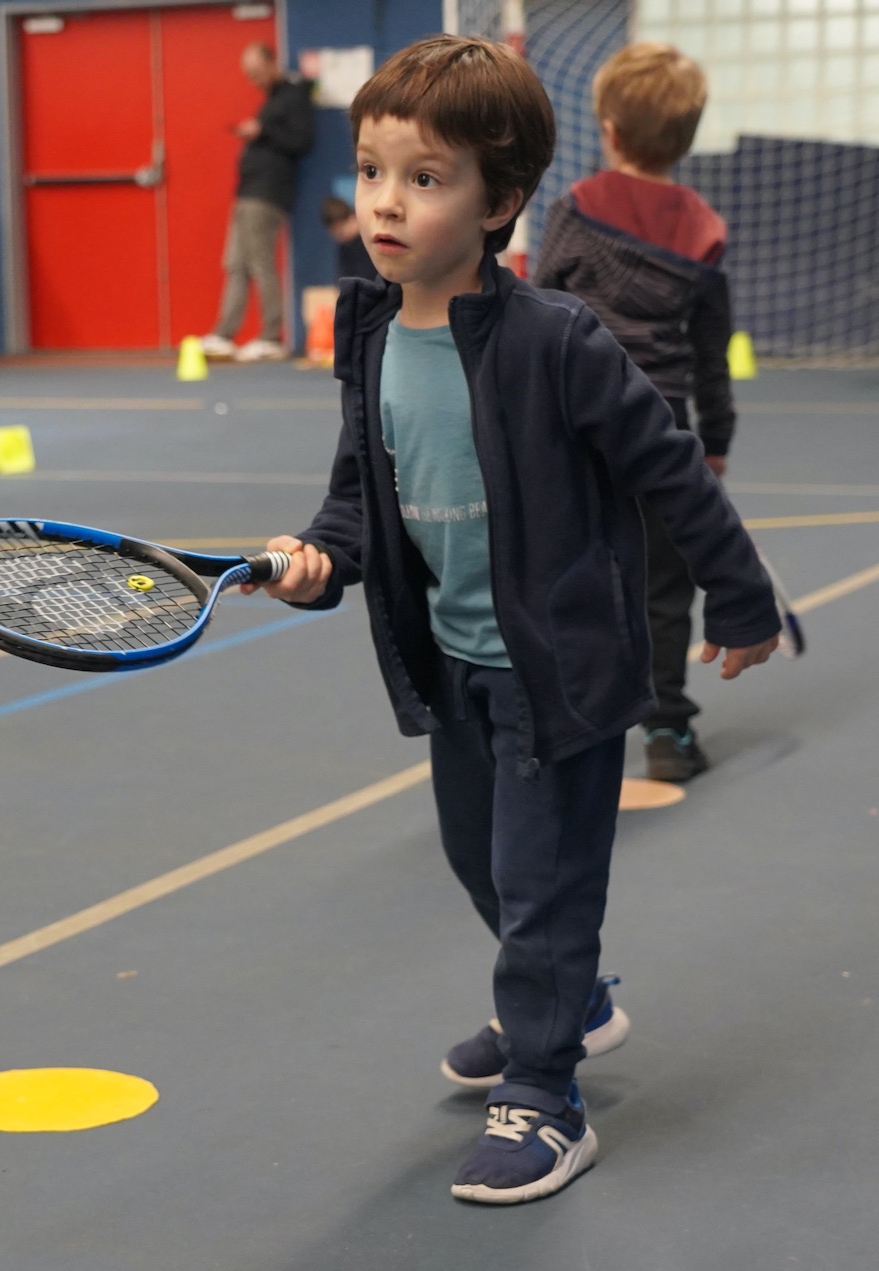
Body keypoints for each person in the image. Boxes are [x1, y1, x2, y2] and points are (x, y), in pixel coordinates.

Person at [241, 35, 781, 1205]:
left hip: (560, 671)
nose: (385, 202)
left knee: (541, 886)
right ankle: (568, 999)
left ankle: (543, 1090)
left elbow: (668, 466)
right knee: (475, 858)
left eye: (423, 178)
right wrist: (313, 561)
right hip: (453, 664)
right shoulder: (369, 330)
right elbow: (356, 495)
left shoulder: (554, 339)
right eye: (372, 170)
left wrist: (741, 595)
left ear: (498, 204)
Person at [534, 43, 736, 784]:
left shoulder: (576, 207)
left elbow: (541, 308)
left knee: (566, 571)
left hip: (576, 424)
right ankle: (668, 729)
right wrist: (714, 441)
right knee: (664, 585)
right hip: (664, 427)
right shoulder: (703, 226)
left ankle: (566, 714)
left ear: (609, 129)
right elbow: (711, 351)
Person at [198, 43, 314, 363]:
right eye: (249, 75)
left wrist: (262, 131)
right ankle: (224, 335)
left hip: (267, 194)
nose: (254, 80)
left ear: (272, 63)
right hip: (248, 192)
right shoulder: (272, 99)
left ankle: (271, 337)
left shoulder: (294, 95)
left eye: (257, 73)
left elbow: (303, 141)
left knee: (260, 264)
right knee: (235, 264)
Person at [320, 194, 378, 281]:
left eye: (342, 228)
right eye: (335, 230)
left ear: (353, 218)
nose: (339, 233)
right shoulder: (344, 248)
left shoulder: (372, 242)